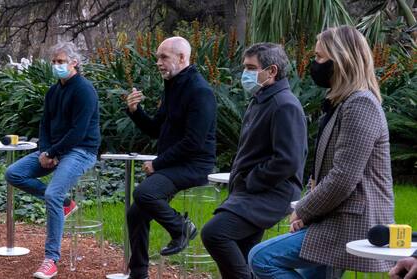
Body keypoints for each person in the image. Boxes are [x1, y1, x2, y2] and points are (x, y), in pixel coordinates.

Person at [248, 25, 395, 279]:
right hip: (333, 216)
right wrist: (309, 210)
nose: (314, 64)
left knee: (261, 258)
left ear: (341, 60)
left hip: (352, 221)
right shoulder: (342, 103)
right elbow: (323, 171)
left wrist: (304, 209)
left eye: (318, 57)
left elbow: (343, 177)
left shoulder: (360, 104)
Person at [201, 43, 308, 279]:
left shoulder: (284, 105)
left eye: (251, 68)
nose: (245, 74)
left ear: (272, 71)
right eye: (245, 67)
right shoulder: (260, 99)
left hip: (270, 193)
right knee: (240, 252)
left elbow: (288, 160)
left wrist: (252, 179)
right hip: (250, 191)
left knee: (215, 233)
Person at [5, 41, 100, 279]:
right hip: (55, 149)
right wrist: (46, 151)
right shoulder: (53, 91)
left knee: (51, 195)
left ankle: (51, 260)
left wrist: (53, 153)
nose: (56, 66)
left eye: (61, 62)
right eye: (54, 62)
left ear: (74, 62)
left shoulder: (84, 90)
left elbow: (79, 132)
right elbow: (45, 125)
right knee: (13, 173)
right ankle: (66, 203)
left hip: (81, 151)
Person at [125, 36, 217, 279]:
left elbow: (193, 143)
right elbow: (157, 129)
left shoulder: (199, 91)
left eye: (164, 57)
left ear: (182, 58)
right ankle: (138, 273)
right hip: (175, 164)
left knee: (145, 193)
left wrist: (157, 163)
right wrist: (135, 112)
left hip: (195, 166)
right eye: (157, 57)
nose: (158, 62)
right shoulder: (174, 87)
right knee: (136, 213)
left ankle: (182, 229)